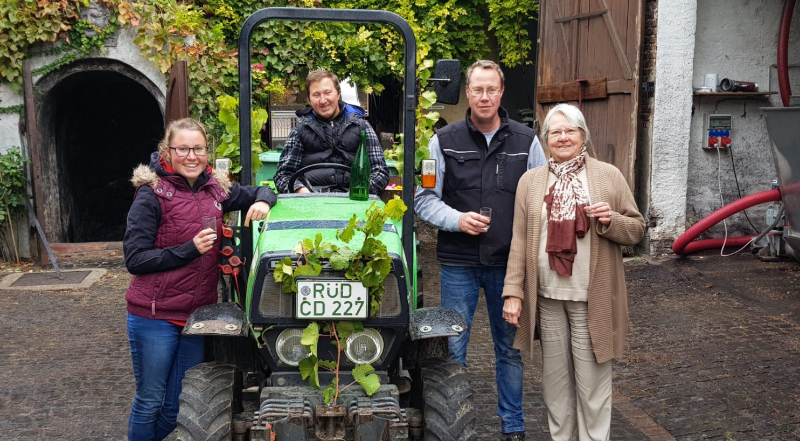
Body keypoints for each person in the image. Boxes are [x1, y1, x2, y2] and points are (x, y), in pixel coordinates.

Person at [415, 59, 546, 441]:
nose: (484, 97)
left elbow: (540, 200)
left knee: (509, 348)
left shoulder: (527, 141)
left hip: (509, 264)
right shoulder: (442, 141)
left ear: (501, 92)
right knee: (453, 348)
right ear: (467, 93)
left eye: (491, 89)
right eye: (477, 90)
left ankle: (513, 426)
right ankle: (454, 424)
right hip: (459, 263)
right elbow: (424, 199)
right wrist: (457, 220)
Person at [123, 118, 277, 441]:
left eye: (198, 149)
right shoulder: (152, 195)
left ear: (207, 152)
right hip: (155, 315)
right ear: (167, 151)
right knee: (151, 401)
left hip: (196, 319)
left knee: (179, 407)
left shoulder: (215, 189)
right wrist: (188, 250)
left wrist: (263, 201)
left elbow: (261, 190)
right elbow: (134, 260)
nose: (191, 156)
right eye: (183, 149)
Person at [501, 103, 645, 441]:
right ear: (545, 138)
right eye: (555, 132)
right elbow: (519, 240)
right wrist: (513, 291)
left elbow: (637, 229)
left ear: (583, 136)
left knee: (593, 386)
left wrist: (611, 222)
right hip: (547, 299)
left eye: (571, 131)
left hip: (590, 299)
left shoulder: (607, 175)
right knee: (555, 385)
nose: (563, 137)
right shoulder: (531, 181)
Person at [274, 69, 389, 194]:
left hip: (354, 200)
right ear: (309, 99)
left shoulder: (362, 127)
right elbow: (283, 176)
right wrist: (301, 191)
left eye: (327, 93)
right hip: (310, 202)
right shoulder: (300, 130)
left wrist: (359, 191)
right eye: (316, 95)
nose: (323, 100)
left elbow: (380, 172)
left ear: (338, 94)